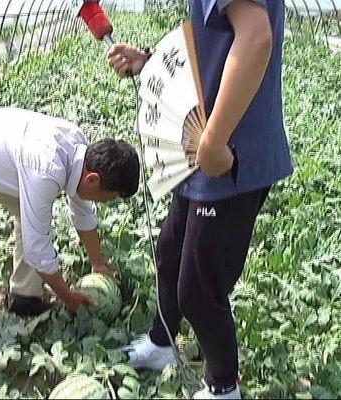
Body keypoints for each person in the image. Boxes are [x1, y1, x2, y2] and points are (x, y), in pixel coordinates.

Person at [108, 0, 293, 399]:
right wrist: (150, 63)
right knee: (170, 253)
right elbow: (214, 45)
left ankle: (223, 387)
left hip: (227, 153)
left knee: (198, 289)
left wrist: (213, 142)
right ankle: (163, 342)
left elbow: (256, 37)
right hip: (206, 144)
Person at [0, 107, 140, 355]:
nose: (105, 203)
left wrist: (98, 264)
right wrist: (69, 297)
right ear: (93, 179)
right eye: (109, 198)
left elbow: (83, 211)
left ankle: (24, 297)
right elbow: (37, 250)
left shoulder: (80, 152)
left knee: (31, 215)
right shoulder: (46, 168)